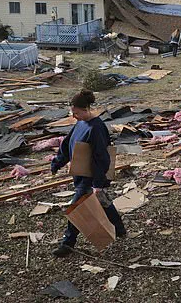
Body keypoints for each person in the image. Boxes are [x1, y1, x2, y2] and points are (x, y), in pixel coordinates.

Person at [51, 90, 126, 257]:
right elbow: (67, 145)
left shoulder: (96, 128)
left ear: (86, 109)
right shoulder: (80, 124)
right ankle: (120, 229)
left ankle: (67, 244)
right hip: (80, 175)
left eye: (76, 113)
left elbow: (102, 157)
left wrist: (98, 183)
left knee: (76, 209)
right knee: (103, 201)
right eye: (72, 113)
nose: (74, 116)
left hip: (91, 177)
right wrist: (57, 163)